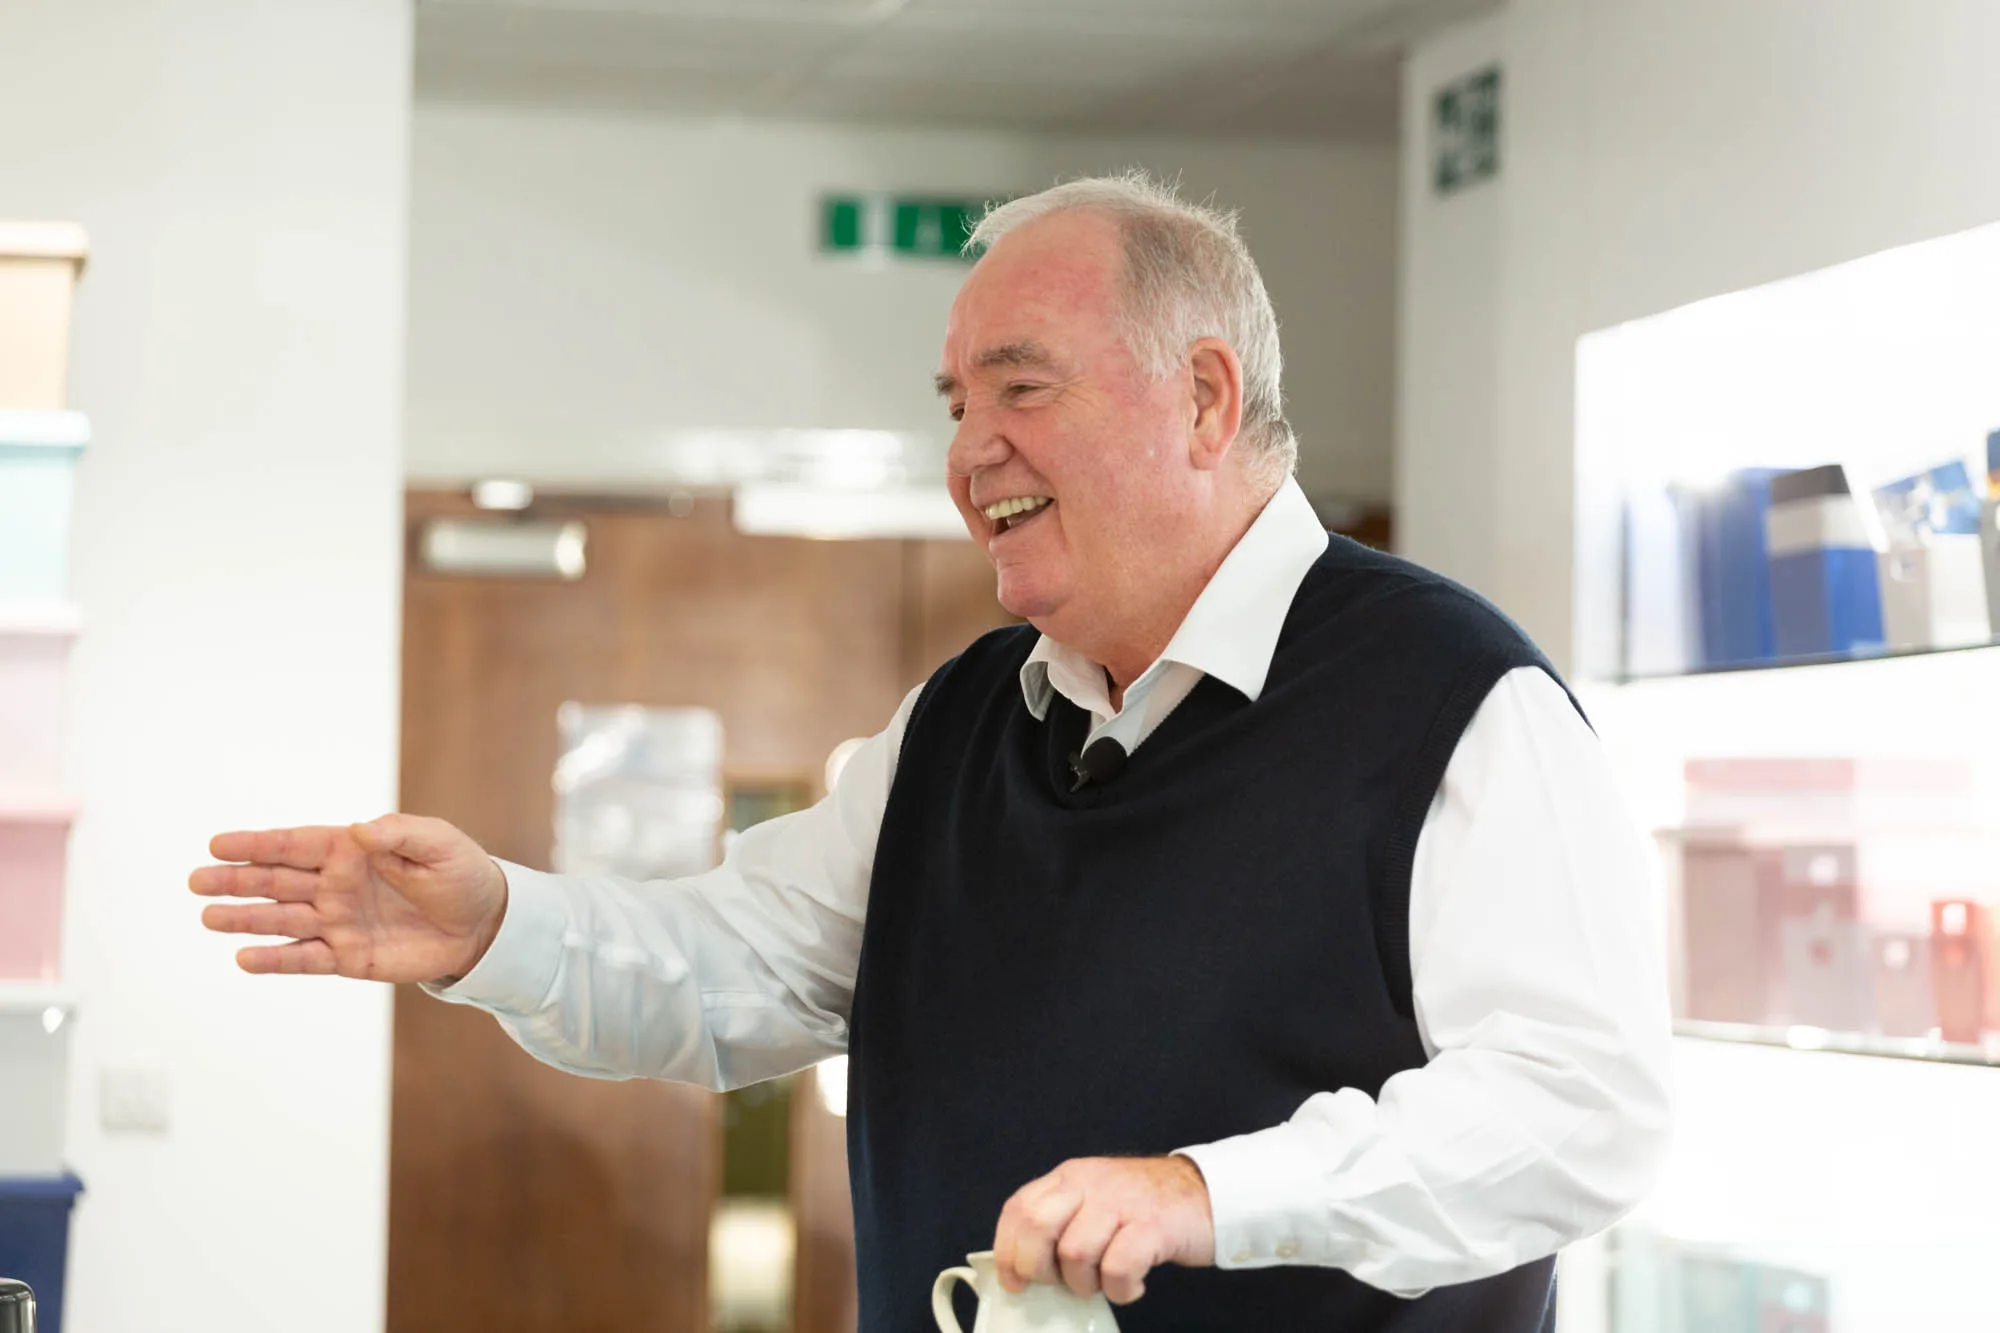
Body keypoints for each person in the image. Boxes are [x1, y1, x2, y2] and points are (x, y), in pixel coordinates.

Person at [192, 173, 1671, 1332]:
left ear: (1205, 400)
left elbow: (1576, 1107)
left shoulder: (1452, 700)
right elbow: (738, 965)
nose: (969, 452)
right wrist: (496, 927)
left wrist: (1203, 1195)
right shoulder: (962, 720)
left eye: (1022, 389)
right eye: (958, 404)